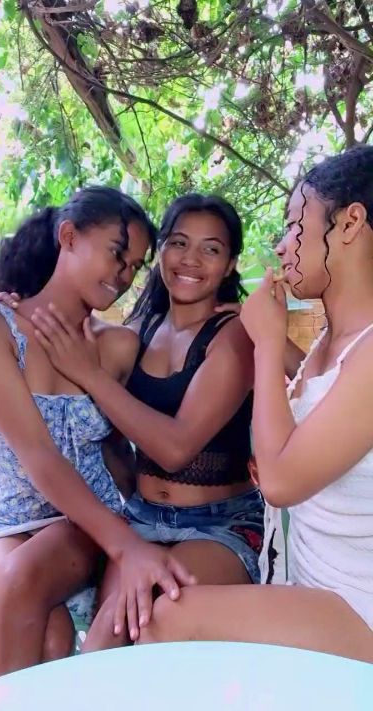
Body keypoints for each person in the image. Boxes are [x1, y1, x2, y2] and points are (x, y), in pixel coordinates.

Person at [124, 146, 373, 664]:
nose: (282, 246)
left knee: (165, 620)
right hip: (304, 581)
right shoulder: (330, 345)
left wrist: (265, 341)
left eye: (295, 224)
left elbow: (279, 482)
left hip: (355, 603)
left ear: (350, 224)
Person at [0, 186, 194, 679]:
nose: (123, 274)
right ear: (68, 237)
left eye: (134, 266)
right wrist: (127, 546)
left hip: (84, 521)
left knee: (25, 585)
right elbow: (38, 455)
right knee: (50, 634)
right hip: (5, 519)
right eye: (117, 253)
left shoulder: (118, 346)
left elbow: (128, 436)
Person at [28, 194, 265, 650]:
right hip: (142, 517)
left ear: (231, 264)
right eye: (179, 243)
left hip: (218, 525)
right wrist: (5, 307)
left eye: (211, 249)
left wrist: (91, 376)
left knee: (148, 626)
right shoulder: (140, 330)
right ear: (161, 254)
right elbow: (108, 430)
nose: (191, 259)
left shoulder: (235, 337)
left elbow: (175, 449)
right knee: (102, 643)